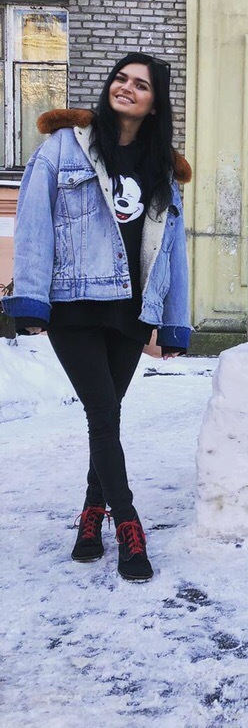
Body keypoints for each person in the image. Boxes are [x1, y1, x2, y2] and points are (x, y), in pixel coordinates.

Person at [2, 52, 192, 582]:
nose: (125, 88)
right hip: (75, 306)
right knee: (103, 416)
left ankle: (91, 518)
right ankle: (128, 522)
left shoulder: (163, 171)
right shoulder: (64, 148)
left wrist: (173, 322)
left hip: (130, 313)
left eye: (140, 85)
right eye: (120, 79)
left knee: (105, 416)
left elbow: (173, 250)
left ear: (156, 104)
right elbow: (34, 221)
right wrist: (31, 299)